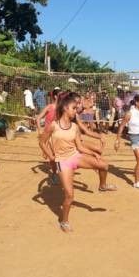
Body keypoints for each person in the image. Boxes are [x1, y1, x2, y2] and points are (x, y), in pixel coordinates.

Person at [39, 93, 117, 232]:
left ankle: (102, 186)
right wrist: (51, 156)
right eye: (74, 108)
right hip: (63, 162)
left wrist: (93, 154)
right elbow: (42, 141)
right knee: (69, 195)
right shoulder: (53, 126)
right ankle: (64, 221)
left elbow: (80, 147)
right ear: (64, 108)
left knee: (104, 165)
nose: (76, 110)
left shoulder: (74, 127)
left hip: (75, 155)